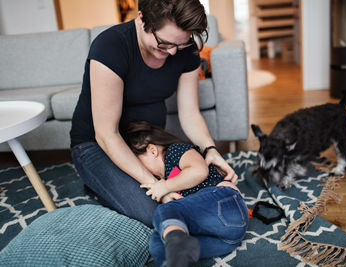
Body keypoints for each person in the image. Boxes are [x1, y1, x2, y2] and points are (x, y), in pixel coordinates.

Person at [69, 0, 238, 228]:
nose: (172, 52)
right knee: (156, 212)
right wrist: (155, 186)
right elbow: (106, 135)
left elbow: (189, 113)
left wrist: (210, 149)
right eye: (164, 44)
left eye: (180, 44)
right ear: (141, 19)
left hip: (150, 143)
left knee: (198, 186)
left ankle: (110, 183)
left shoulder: (184, 49)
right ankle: (97, 179)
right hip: (97, 145)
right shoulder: (111, 46)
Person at [124, 121, 248, 267]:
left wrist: (165, 186)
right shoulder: (164, 181)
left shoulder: (174, 151)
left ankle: (178, 243)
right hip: (226, 239)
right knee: (158, 244)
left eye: (139, 164)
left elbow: (199, 170)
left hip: (224, 202)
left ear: (152, 150)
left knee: (166, 210)